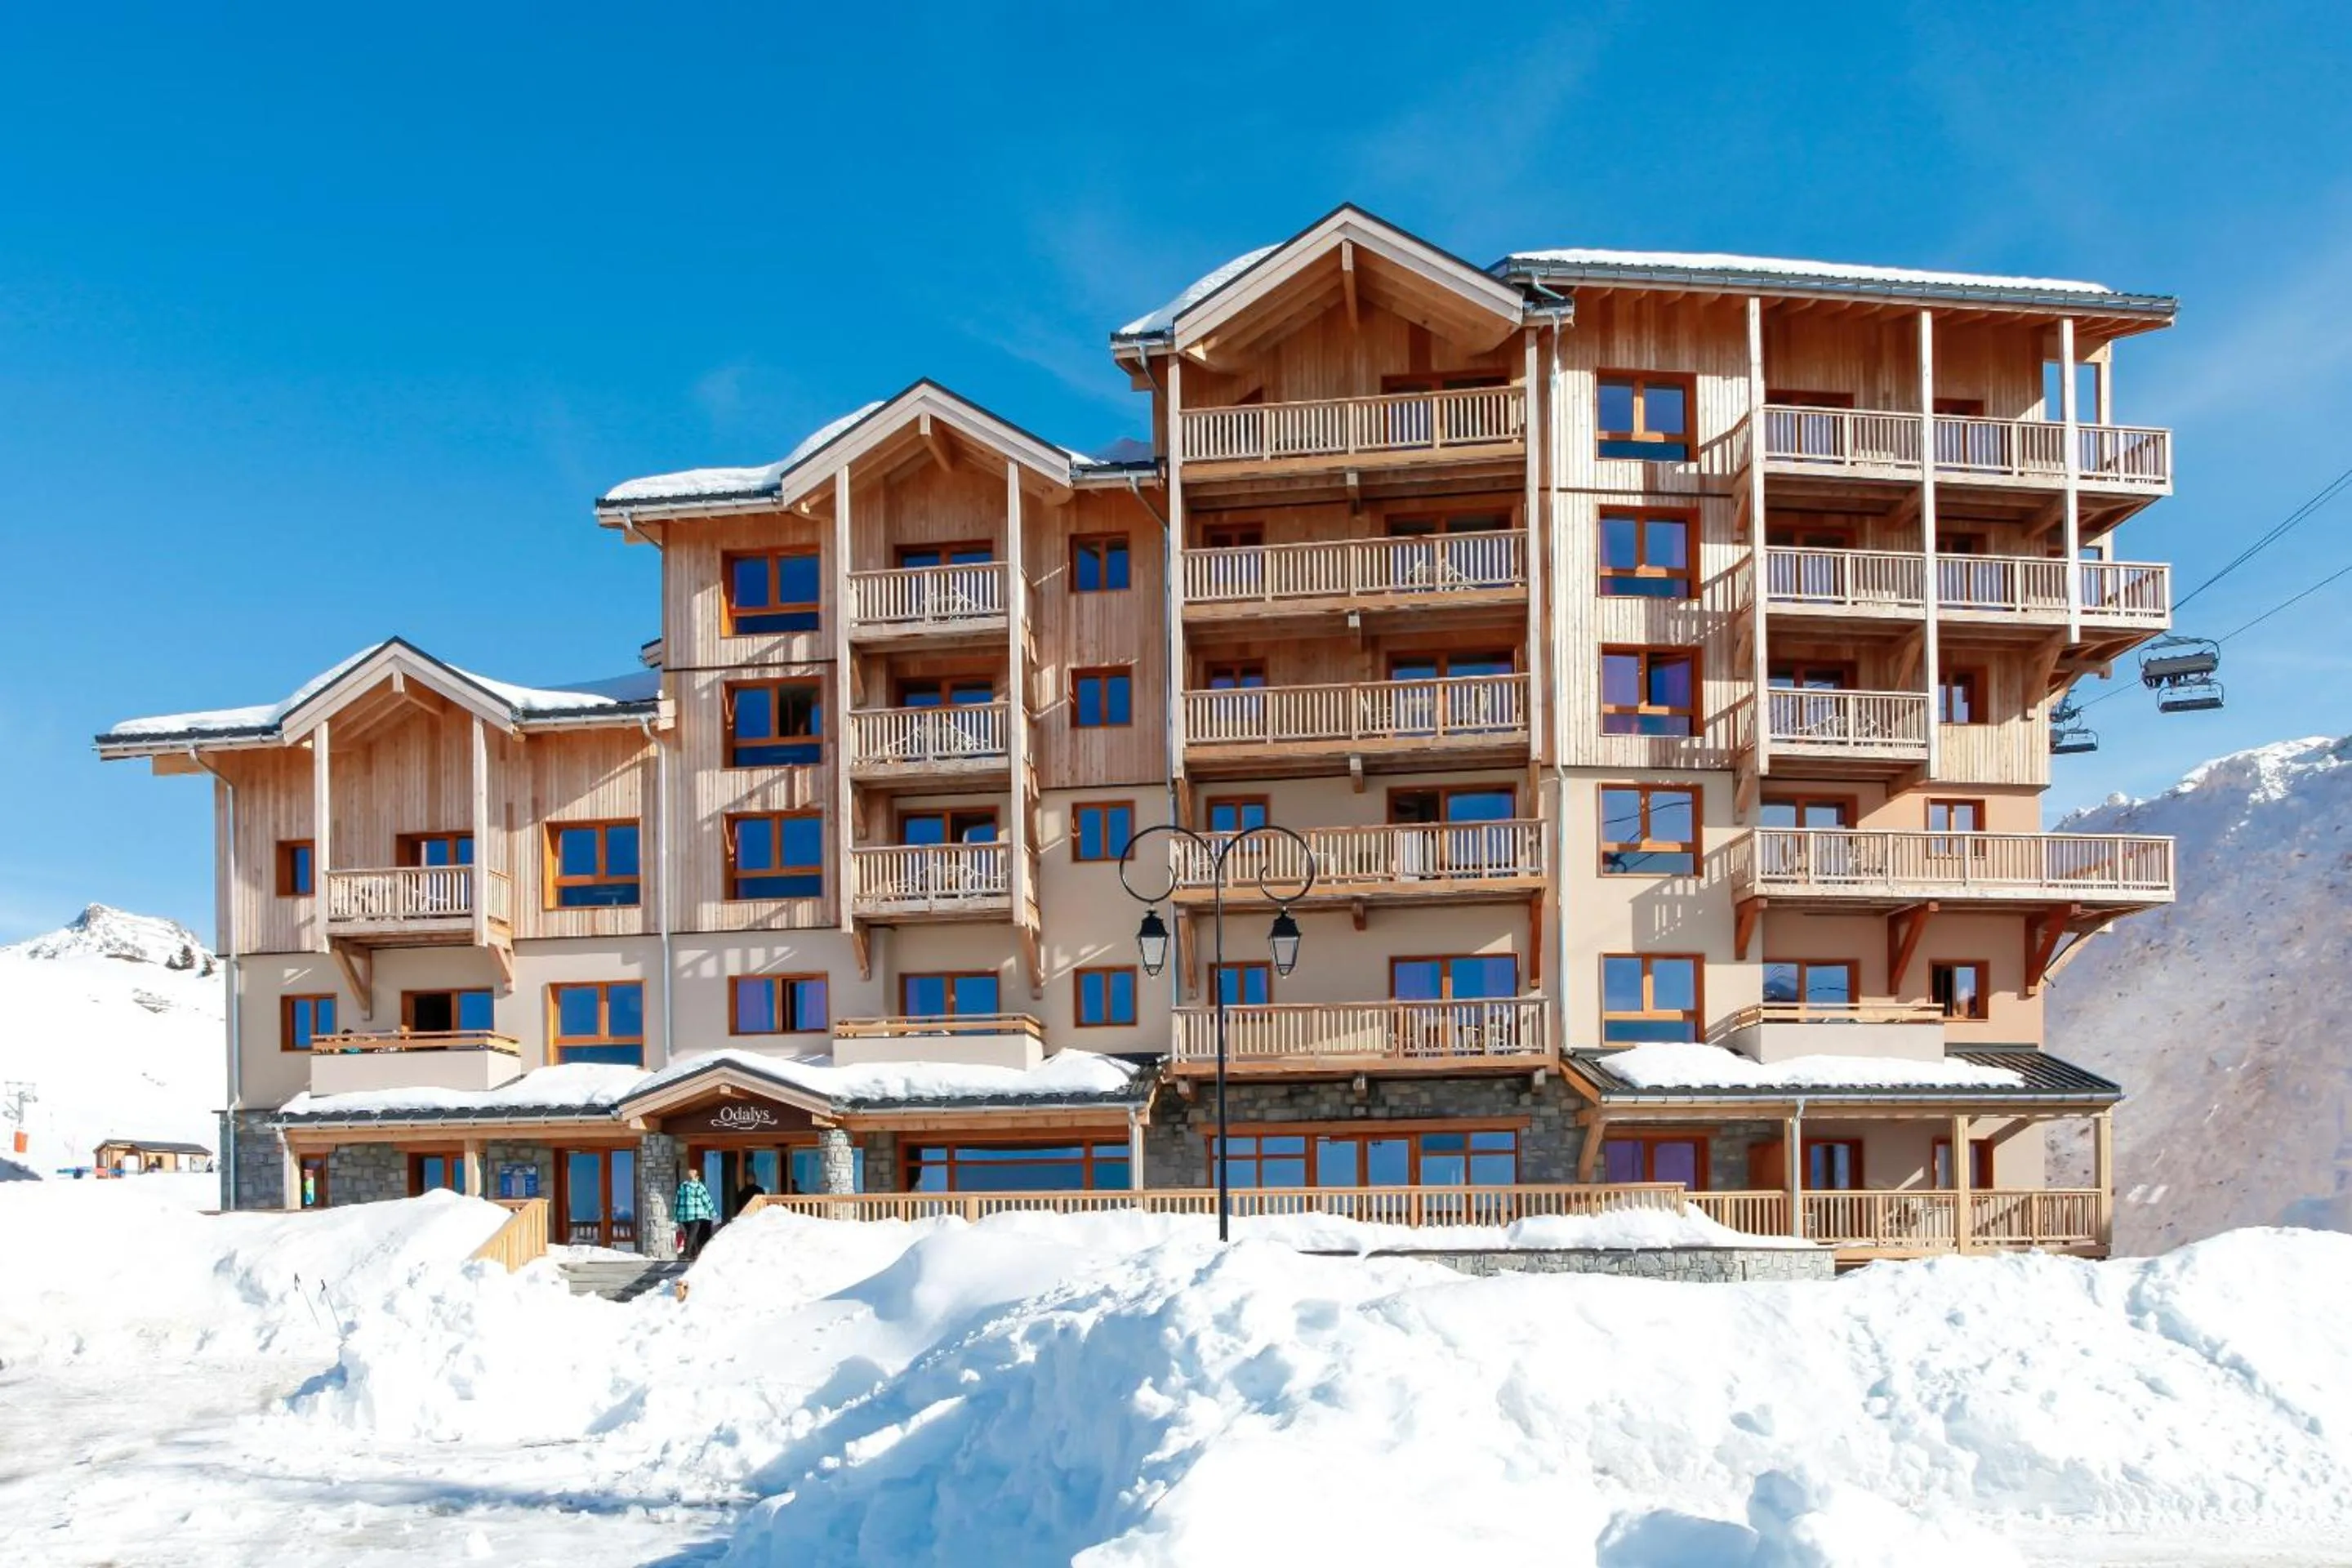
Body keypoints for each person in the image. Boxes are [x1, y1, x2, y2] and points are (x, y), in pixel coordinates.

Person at [674, 1169, 717, 1260]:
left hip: (684, 1216)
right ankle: (686, 1253)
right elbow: (706, 1200)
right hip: (696, 1215)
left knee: (691, 1234)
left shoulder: (682, 1187)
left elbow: (677, 1202)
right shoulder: (699, 1187)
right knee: (692, 1234)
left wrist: (676, 1215)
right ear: (697, 1177)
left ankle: (694, 1253)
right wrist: (712, 1212)